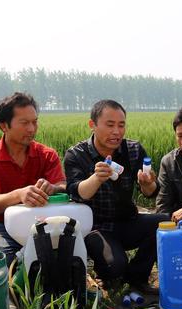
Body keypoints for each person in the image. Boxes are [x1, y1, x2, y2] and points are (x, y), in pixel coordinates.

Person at [64, 100, 167, 295]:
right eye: (110, 125)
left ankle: (137, 277)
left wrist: (147, 183)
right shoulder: (77, 155)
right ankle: (109, 273)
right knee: (115, 267)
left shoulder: (133, 150)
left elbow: (151, 192)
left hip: (128, 221)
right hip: (97, 228)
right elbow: (76, 192)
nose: (117, 132)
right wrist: (96, 178)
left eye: (121, 125)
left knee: (165, 223)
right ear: (92, 125)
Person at [0, 92, 66, 264]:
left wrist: (53, 187)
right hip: (3, 228)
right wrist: (19, 195)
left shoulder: (47, 155)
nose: (31, 129)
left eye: (34, 122)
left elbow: (63, 185)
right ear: (4, 126)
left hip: (46, 222)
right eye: (24, 123)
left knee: (62, 261)